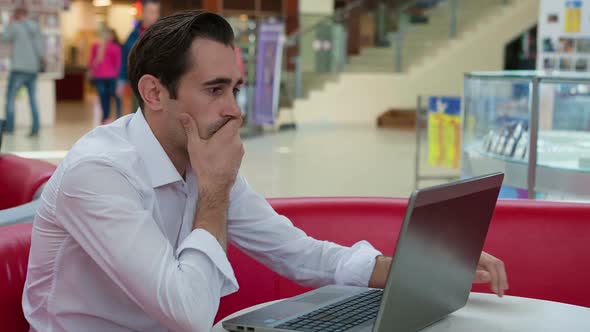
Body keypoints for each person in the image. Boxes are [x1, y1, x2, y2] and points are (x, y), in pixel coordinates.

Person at [22, 11, 508, 332]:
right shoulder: (99, 172)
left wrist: (415, 271)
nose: (234, 110)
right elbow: (188, 312)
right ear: (154, 93)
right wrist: (213, 191)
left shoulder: (198, 153)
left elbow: (296, 253)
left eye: (235, 88)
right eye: (214, 90)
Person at [1, 5, 44, 136]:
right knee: (32, 99)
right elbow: (40, 48)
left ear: (17, 14)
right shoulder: (35, 27)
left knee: (10, 98)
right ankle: (35, 128)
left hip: (18, 68)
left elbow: (4, 38)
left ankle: (9, 127)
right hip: (32, 69)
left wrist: (10, 23)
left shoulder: (15, 26)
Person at [117, 0, 160, 113]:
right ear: (144, 13)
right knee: (138, 114)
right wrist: (121, 81)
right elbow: (125, 60)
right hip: (138, 83)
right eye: (151, 12)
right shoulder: (133, 36)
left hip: (159, 82)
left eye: (156, 12)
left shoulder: (162, 34)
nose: (154, 16)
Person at [88, 27, 122, 124]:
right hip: (100, 76)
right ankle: (105, 116)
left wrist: (119, 77)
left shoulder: (115, 47)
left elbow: (118, 62)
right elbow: (91, 61)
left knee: (114, 95)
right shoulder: (95, 46)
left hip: (112, 76)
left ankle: (118, 114)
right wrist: (92, 69)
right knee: (103, 96)